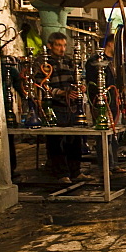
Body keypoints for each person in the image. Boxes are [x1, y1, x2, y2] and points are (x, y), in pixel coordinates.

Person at [41, 32, 84, 184]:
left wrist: (79, 88)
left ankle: (76, 171)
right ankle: (61, 173)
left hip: (70, 107)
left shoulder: (68, 61)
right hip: (55, 107)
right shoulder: (45, 63)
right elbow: (41, 85)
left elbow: (75, 79)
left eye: (64, 45)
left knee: (74, 140)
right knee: (57, 141)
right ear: (50, 46)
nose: (62, 48)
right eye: (58, 45)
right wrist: (60, 93)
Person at [86, 35, 125, 174]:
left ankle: (114, 164)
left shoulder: (114, 61)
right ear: (110, 43)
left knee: (114, 134)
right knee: (103, 135)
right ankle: (105, 165)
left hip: (114, 101)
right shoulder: (95, 62)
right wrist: (97, 100)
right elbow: (92, 83)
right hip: (101, 102)